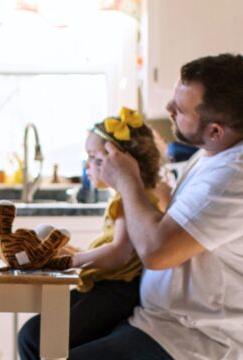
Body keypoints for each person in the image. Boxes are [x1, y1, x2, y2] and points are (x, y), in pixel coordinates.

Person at [67, 53, 243, 359]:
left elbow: (156, 252)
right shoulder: (211, 154)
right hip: (157, 321)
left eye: (181, 108)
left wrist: (127, 180)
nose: (168, 109)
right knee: (37, 338)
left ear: (216, 130)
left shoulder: (233, 176)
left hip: (196, 340)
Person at [18, 107, 162, 359]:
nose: (88, 165)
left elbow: (119, 253)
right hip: (112, 288)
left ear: (126, 163)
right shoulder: (131, 199)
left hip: (116, 292)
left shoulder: (131, 202)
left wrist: (71, 261)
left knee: (34, 338)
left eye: (96, 158)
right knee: (33, 336)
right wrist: (79, 253)